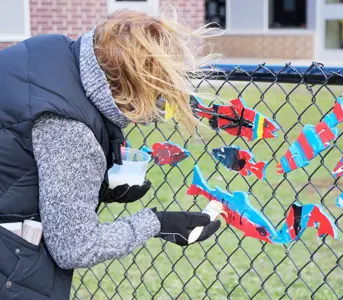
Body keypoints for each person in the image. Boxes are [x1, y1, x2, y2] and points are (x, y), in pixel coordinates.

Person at [0, 7, 222, 300]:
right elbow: (74, 248)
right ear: (131, 87)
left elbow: (22, 157)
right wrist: (157, 223)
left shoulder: (48, 52)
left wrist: (98, 188)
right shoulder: (71, 131)